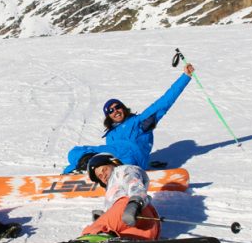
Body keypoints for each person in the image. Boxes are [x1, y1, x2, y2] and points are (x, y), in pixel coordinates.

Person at [62, 63, 195, 173]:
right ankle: (78, 171)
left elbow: (163, 103)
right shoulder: (111, 135)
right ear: (108, 116)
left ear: (124, 108)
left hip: (131, 158)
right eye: (111, 110)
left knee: (121, 160)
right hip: (112, 155)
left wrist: (185, 77)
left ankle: (109, 172)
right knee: (74, 152)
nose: (116, 111)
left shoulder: (139, 122)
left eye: (118, 107)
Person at [79, 153, 161, 241]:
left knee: (95, 229)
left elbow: (135, 185)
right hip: (147, 229)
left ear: (113, 164)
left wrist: (134, 204)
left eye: (104, 169)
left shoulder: (122, 171)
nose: (104, 175)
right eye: (100, 176)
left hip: (137, 210)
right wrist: (104, 215)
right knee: (115, 237)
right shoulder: (110, 191)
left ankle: (86, 239)